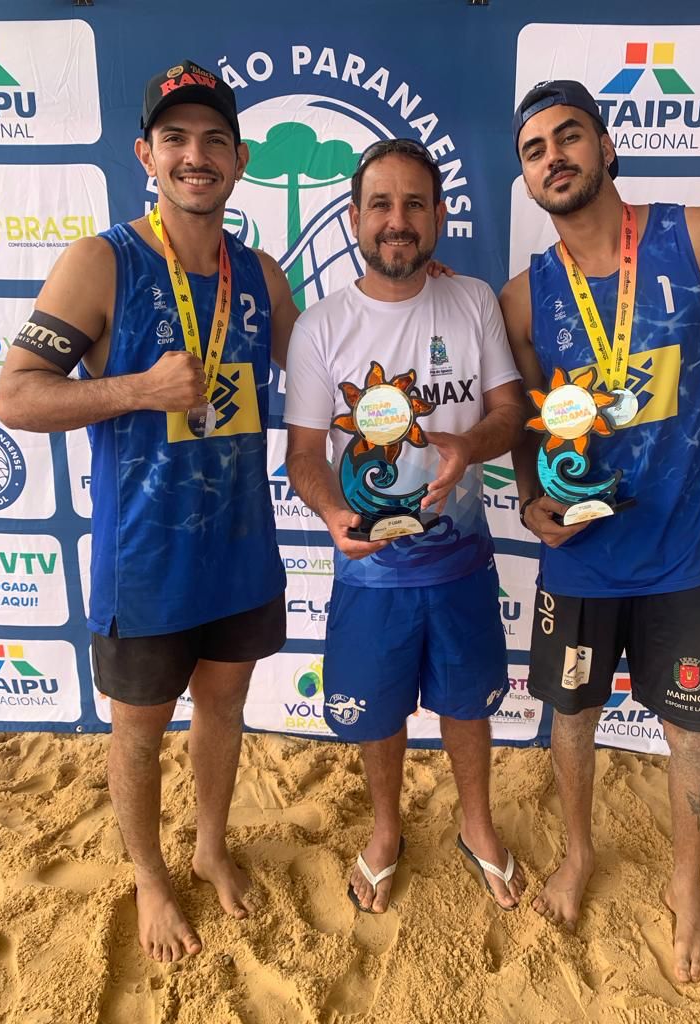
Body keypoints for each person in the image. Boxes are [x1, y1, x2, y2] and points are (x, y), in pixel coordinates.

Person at [0, 60, 300, 963]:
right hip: (145, 560)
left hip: (242, 552)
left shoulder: (262, 275)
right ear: (146, 154)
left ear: (239, 161)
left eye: (213, 140)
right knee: (136, 730)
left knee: (222, 709)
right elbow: (16, 396)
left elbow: (327, 366)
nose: (195, 156)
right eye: (176, 139)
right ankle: (150, 878)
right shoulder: (102, 260)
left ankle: (208, 845)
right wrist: (136, 388)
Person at [500, 79, 700, 984]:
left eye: (570, 137)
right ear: (527, 179)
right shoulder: (526, 298)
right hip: (583, 555)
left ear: (608, 147)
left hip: (686, 552)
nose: (554, 157)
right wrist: (533, 497)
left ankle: (687, 885)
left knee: (695, 732)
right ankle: (578, 853)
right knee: (569, 719)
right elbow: (534, 429)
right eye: (535, 150)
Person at [283, 138, 528, 914]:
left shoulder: (474, 300)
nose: (398, 220)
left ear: (439, 216)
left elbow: (509, 414)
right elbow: (301, 454)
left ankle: (477, 824)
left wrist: (467, 446)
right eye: (381, 204)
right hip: (370, 573)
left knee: (467, 707)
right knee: (379, 712)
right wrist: (332, 511)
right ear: (355, 217)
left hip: (461, 566)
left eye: (414, 204)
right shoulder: (320, 325)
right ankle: (386, 831)